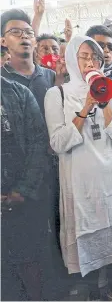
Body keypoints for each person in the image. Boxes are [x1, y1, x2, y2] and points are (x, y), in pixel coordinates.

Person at [44, 35, 112, 301]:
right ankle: (94, 292)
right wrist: (84, 109)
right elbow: (58, 142)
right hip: (81, 180)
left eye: (94, 57)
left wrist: (104, 103)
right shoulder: (57, 93)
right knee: (88, 233)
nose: (89, 62)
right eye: (83, 56)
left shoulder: (108, 86)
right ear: (72, 58)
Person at [1, 77, 50, 301]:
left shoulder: (19, 93)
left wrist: (22, 189)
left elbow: (38, 142)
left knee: (29, 260)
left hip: (21, 195)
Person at [1, 9, 56, 115]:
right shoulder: (2, 78)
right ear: (3, 41)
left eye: (29, 33)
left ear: (35, 42)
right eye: (15, 32)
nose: (24, 36)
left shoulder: (51, 76)